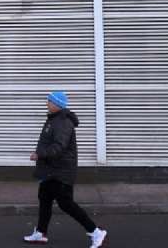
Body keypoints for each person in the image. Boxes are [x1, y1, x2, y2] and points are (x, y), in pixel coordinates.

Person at [23, 91, 107, 247]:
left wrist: (39, 154)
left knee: (66, 203)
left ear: (57, 104)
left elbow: (59, 147)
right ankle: (40, 233)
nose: (47, 103)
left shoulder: (63, 122)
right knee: (45, 198)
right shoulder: (53, 119)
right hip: (50, 169)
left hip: (61, 171)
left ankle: (96, 232)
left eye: (49, 101)